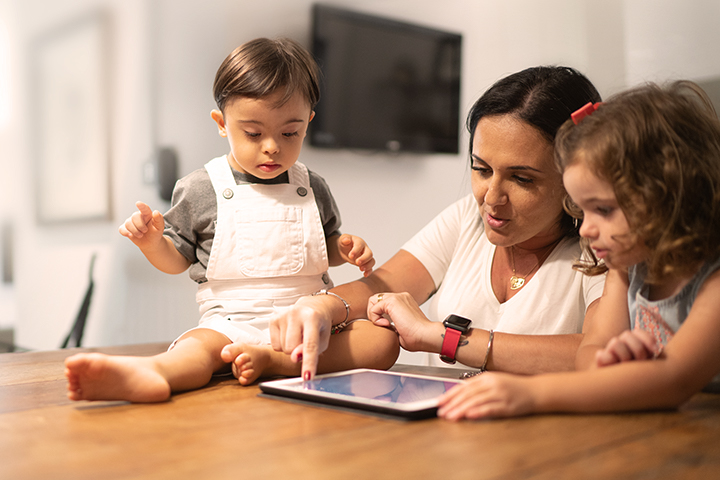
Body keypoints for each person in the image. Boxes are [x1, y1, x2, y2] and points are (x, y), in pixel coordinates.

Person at [64, 37, 399, 402]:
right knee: (197, 351)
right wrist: (151, 243)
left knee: (382, 340)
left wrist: (345, 247)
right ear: (222, 123)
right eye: (253, 133)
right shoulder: (200, 187)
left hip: (307, 321)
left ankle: (274, 361)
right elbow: (178, 260)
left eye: (290, 132)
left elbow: (325, 244)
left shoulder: (312, 186)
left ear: (308, 123)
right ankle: (153, 372)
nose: (272, 146)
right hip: (230, 322)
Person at [268, 66, 606, 381]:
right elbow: (383, 283)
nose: (491, 198)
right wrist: (321, 305)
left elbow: (600, 354)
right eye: (481, 169)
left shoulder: (604, 244)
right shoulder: (467, 218)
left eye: (521, 179)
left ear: (576, 176)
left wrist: (440, 337)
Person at [431, 80, 720, 420]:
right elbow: (590, 353)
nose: (585, 229)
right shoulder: (627, 269)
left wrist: (531, 393)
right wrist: (611, 361)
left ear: (669, 196)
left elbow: (674, 381)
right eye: (583, 211)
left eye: (605, 210)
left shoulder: (713, 284)